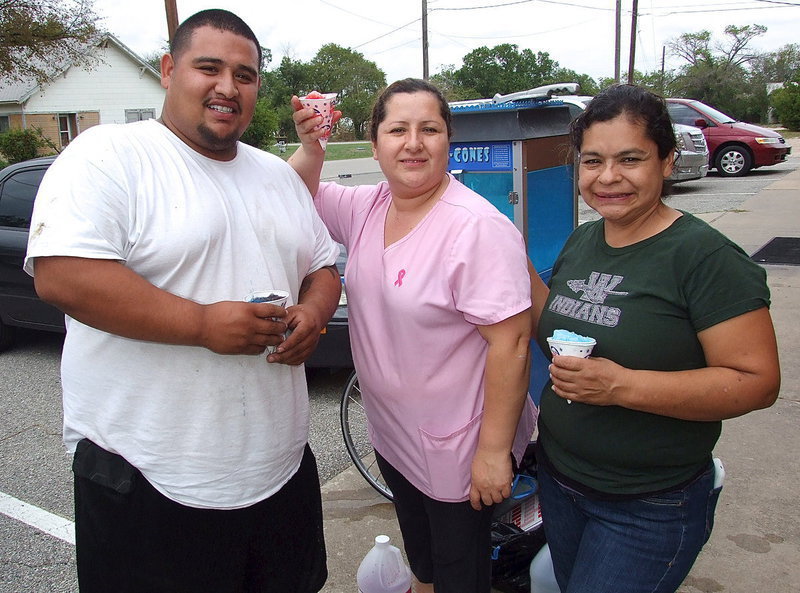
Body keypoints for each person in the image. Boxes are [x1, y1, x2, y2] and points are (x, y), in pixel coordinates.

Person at [24, 9, 340, 593]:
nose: (227, 86)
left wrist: (314, 314)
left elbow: (321, 267)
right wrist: (200, 324)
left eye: (244, 75)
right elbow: (62, 275)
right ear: (169, 70)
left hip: (279, 472)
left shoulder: (275, 175)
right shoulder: (109, 155)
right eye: (208, 67)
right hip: (148, 478)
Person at [288, 78, 537, 593]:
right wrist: (313, 144)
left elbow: (511, 343)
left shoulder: (474, 227)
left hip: (460, 447)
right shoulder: (369, 206)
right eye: (397, 129)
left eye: (430, 129)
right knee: (424, 562)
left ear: (449, 139)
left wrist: (493, 452)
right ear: (375, 144)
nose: (414, 142)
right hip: (395, 435)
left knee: (460, 573)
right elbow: (295, 191)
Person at [533, 84, 781, 593]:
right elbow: (556, 331)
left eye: (630, 159)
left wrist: (622, 386)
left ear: (667, 162)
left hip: (647, 505)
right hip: (560, 482)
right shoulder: (584, 239)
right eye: (592, 160)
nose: (607, 177)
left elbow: (757, 383)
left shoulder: (704, 258)